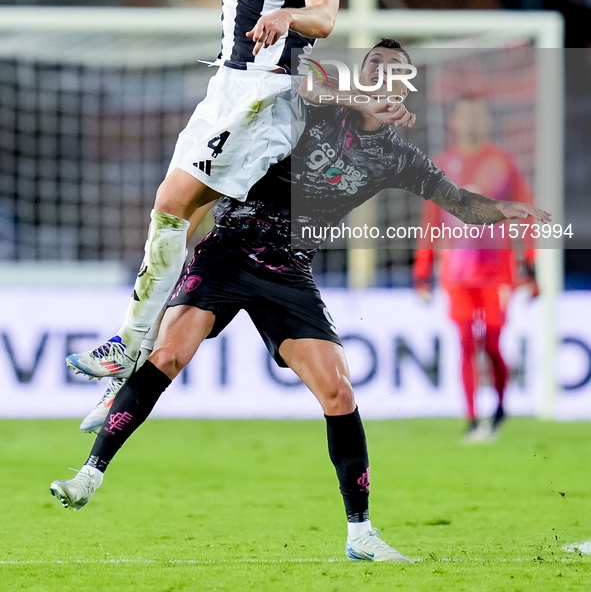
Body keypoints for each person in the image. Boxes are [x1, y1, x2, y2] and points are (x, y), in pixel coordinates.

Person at [50, 40, 550, 562]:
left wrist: (506, 209)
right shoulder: (314, 109)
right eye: (374, 68)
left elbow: (462, 205)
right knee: (170, 355)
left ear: (405, 88)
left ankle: (361, 534)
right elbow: (305, 77)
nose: (383, 77)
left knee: (338, 392)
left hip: (289, 271)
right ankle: (88, 476)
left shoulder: (399, 158)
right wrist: (354, 95)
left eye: (395, 73)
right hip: (231, 247)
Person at [58, 0, 345, 380]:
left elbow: (326, 16)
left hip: (268, 94)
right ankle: (141, 346)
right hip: (227, 85)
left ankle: (134, 343)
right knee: (177, 213)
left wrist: (289, 15)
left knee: (175, 204)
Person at [412, 95, 539, 442]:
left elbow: (526, 216)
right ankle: (471, 419)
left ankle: (498, 408)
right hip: (456, 272)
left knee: (494, 342)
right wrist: (421, 272)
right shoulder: (440, 166)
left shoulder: (504, 164)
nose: (471, 122)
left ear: (486, 121)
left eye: (478, 116)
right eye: (465, 115)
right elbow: (431, 223)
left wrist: (530, 264)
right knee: (466, 340)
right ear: (455, 121)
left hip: (498, 271)